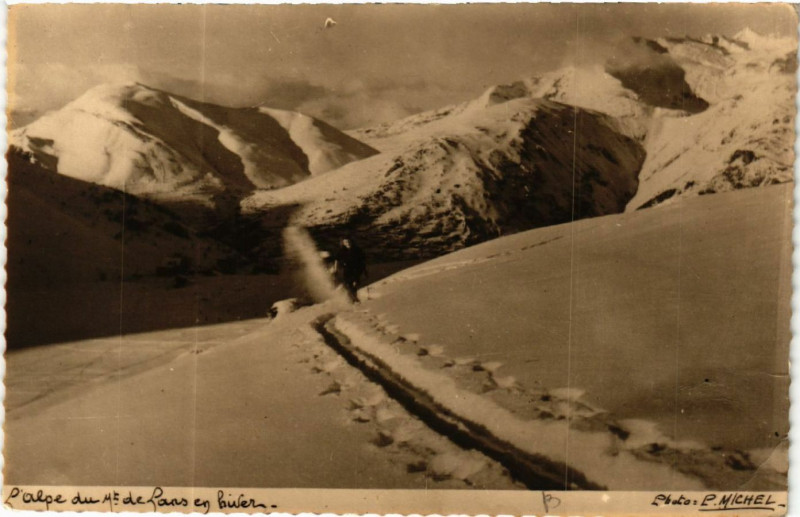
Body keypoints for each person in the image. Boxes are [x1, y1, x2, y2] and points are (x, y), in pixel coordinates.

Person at [333, 237, 367, 302]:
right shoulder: (341, 251)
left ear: (351, 241)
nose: (347, 243)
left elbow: (363, 259)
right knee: (349, 284)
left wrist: (364, 269)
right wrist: (335, 269)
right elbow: (336, 260)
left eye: (348, 241)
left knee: (355, 283)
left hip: (356, 268)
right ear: (343, 243)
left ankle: (353, 297)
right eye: (345, 242)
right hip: (347, 269)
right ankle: (353, 298)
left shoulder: (357, 249)